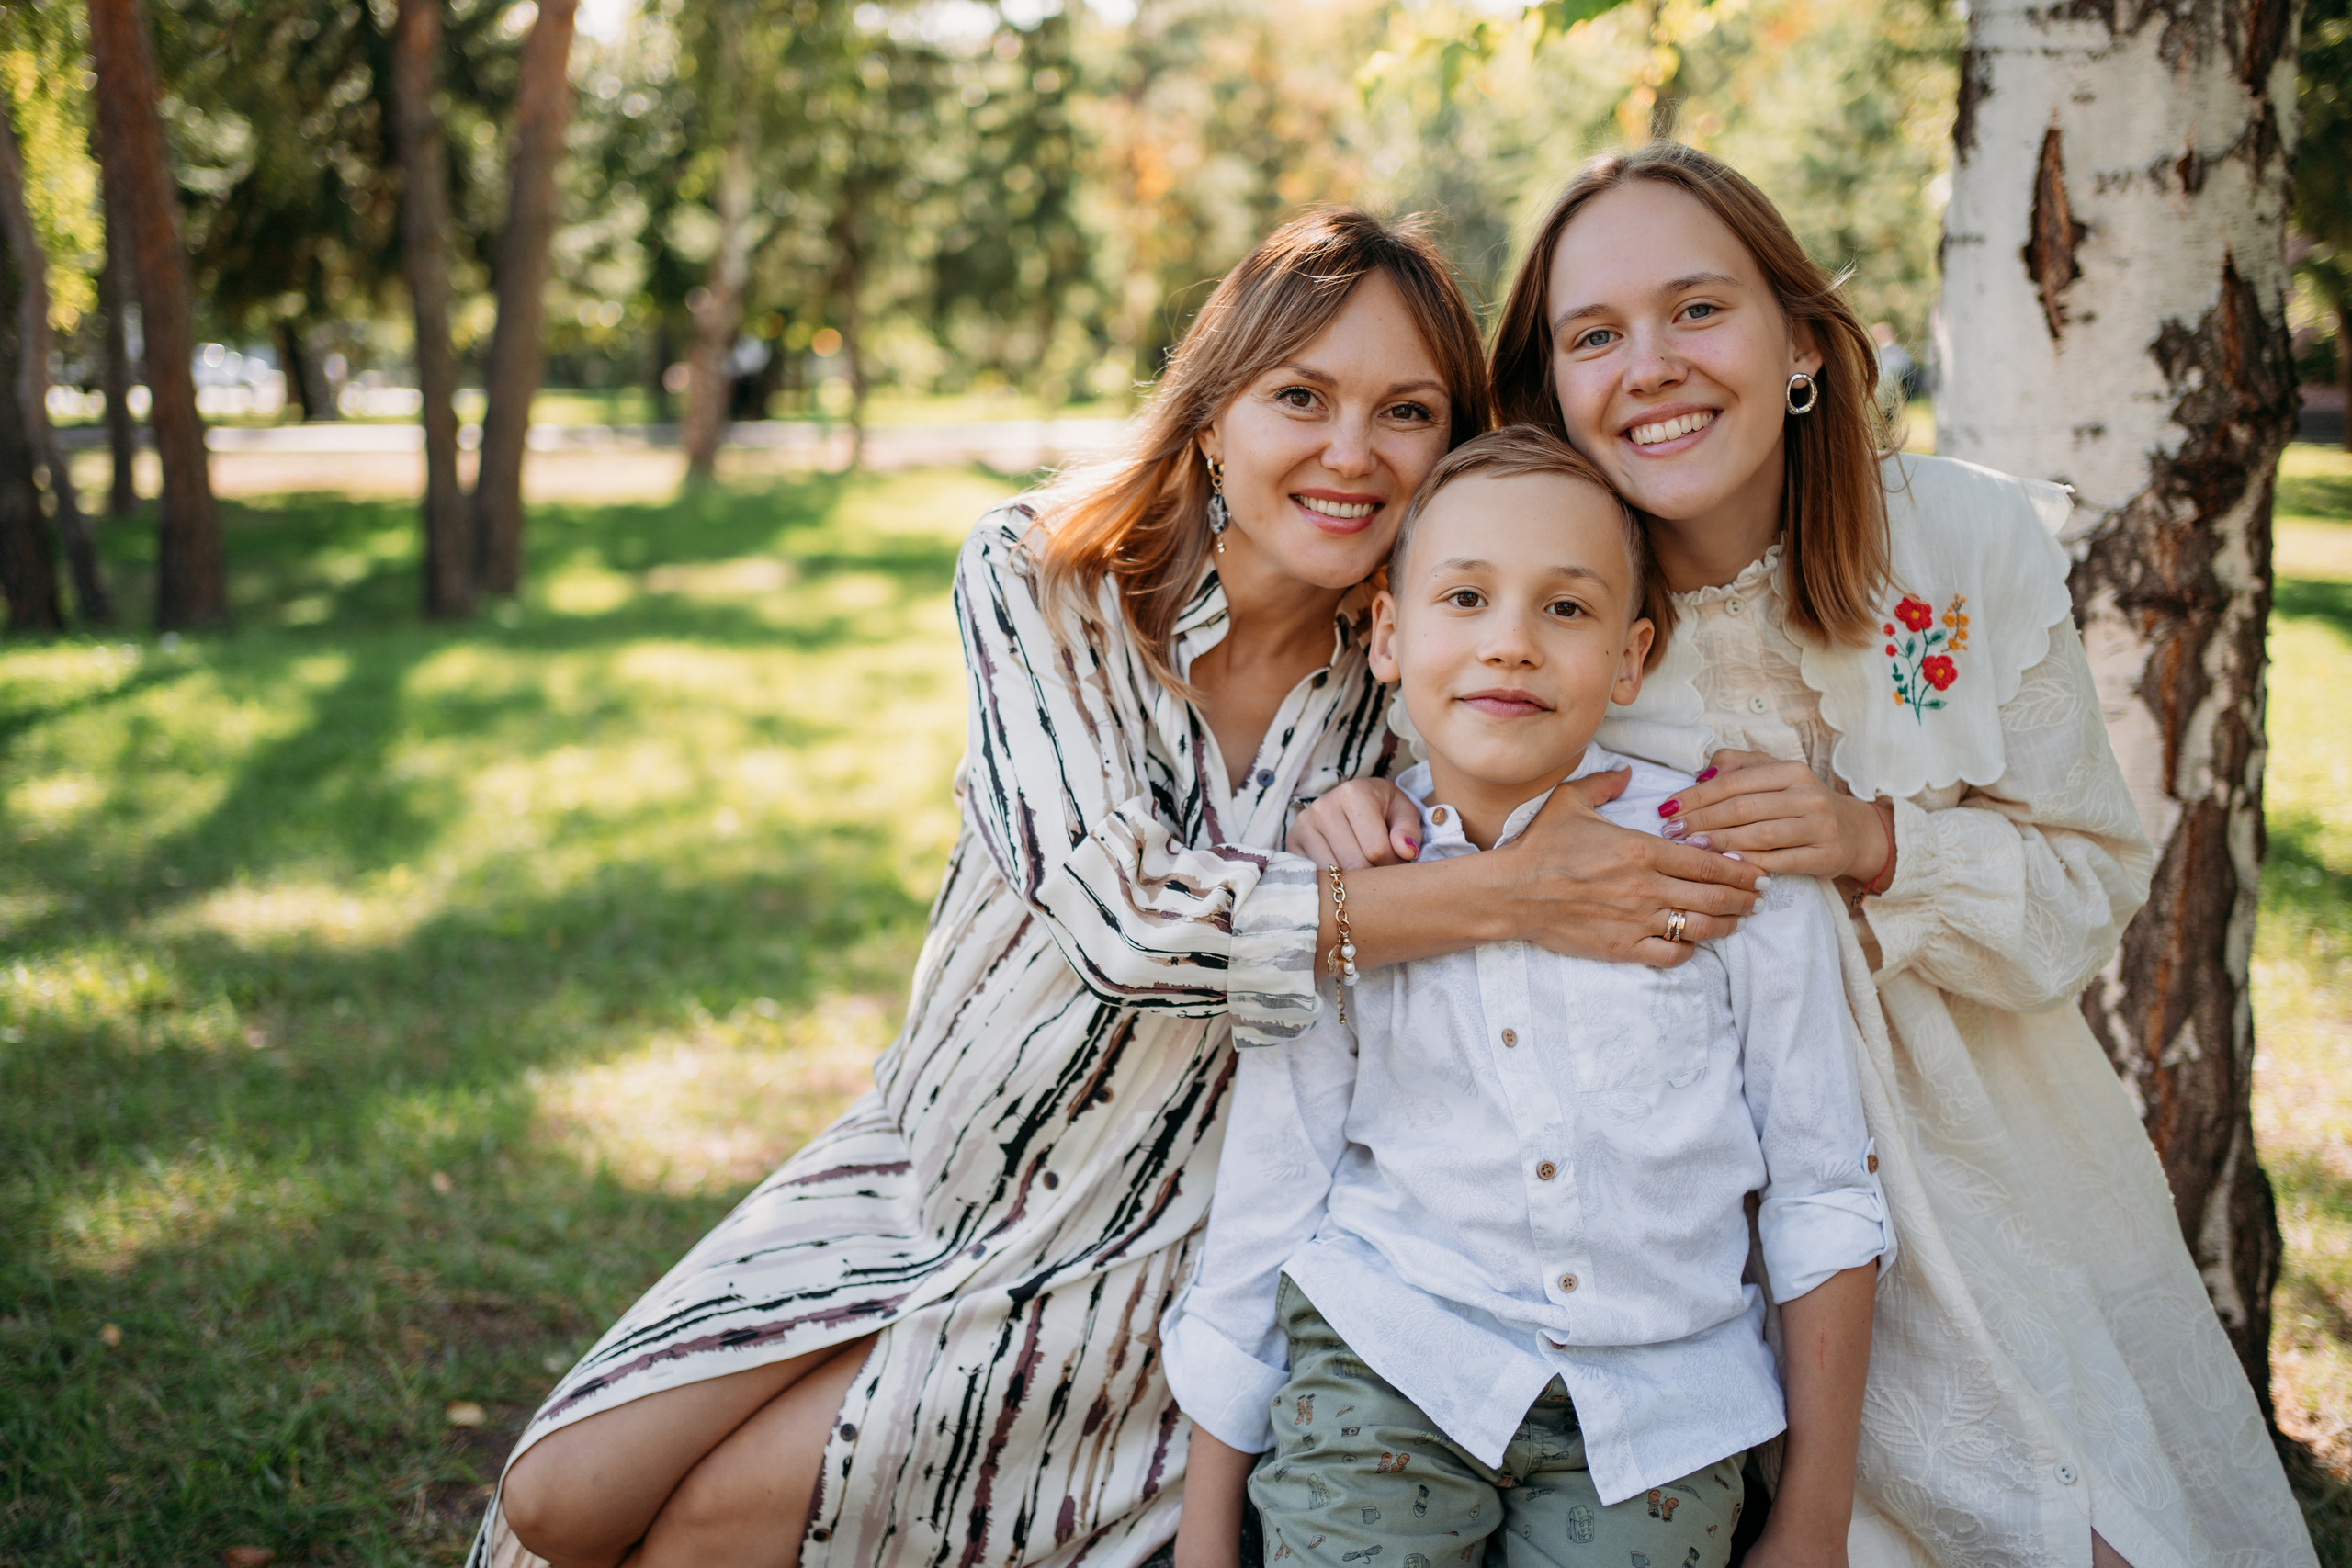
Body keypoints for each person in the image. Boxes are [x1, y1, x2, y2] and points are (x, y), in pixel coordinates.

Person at [473, 208, 1766, 1568]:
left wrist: (1859, 832)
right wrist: (1508, 896)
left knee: (708, 1529)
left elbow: (1602, 690)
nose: (1351, 451)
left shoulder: (1413, 671)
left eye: (1406, 412)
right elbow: (1130, 921)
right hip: (942, 1160)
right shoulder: (1047, 576)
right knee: (560, 1498)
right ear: (1212, 414)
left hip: (1155, 1237)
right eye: (1301, 397)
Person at [1294, 144, 2319, 1568]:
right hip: (1693, 1213)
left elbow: (2089, 882)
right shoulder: (1563, 601)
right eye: (1595, 335)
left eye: (1698, 309)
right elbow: (1451, 772)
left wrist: (1877, 841)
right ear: (1552, 389)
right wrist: (1358, 810)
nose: (1651, 365)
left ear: (1802, 344)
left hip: (1980, 1152)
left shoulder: (1957, 540)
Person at [1160, 427, 1891, 1568]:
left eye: (1565, 607)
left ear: (1631, 656)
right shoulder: (1353, 884)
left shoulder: (1724, 866)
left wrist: (1813, 1518)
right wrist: (1205, 1537)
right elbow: (1271, 1192)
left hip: (1661, 1411)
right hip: (1392, 1361)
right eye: (1464, 598)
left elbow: (1820, 1188)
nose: (1510, 642)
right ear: (1388, 635)